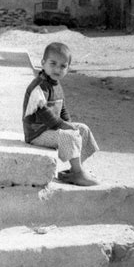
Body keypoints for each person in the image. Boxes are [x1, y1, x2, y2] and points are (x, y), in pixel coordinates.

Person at [22, 41, 99, 186]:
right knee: (69, 135)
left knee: (82, 129)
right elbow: (44, 114)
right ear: (43, 63)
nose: (57, 69)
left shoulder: (56, 85)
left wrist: (69, 123)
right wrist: (64, 126)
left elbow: (62, 109)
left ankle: (75, 169)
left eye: (63, 66)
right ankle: (78, 174)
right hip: (37, 133)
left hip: (51, 128)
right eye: (53, 64)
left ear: (68, 68)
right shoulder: (39, 87)